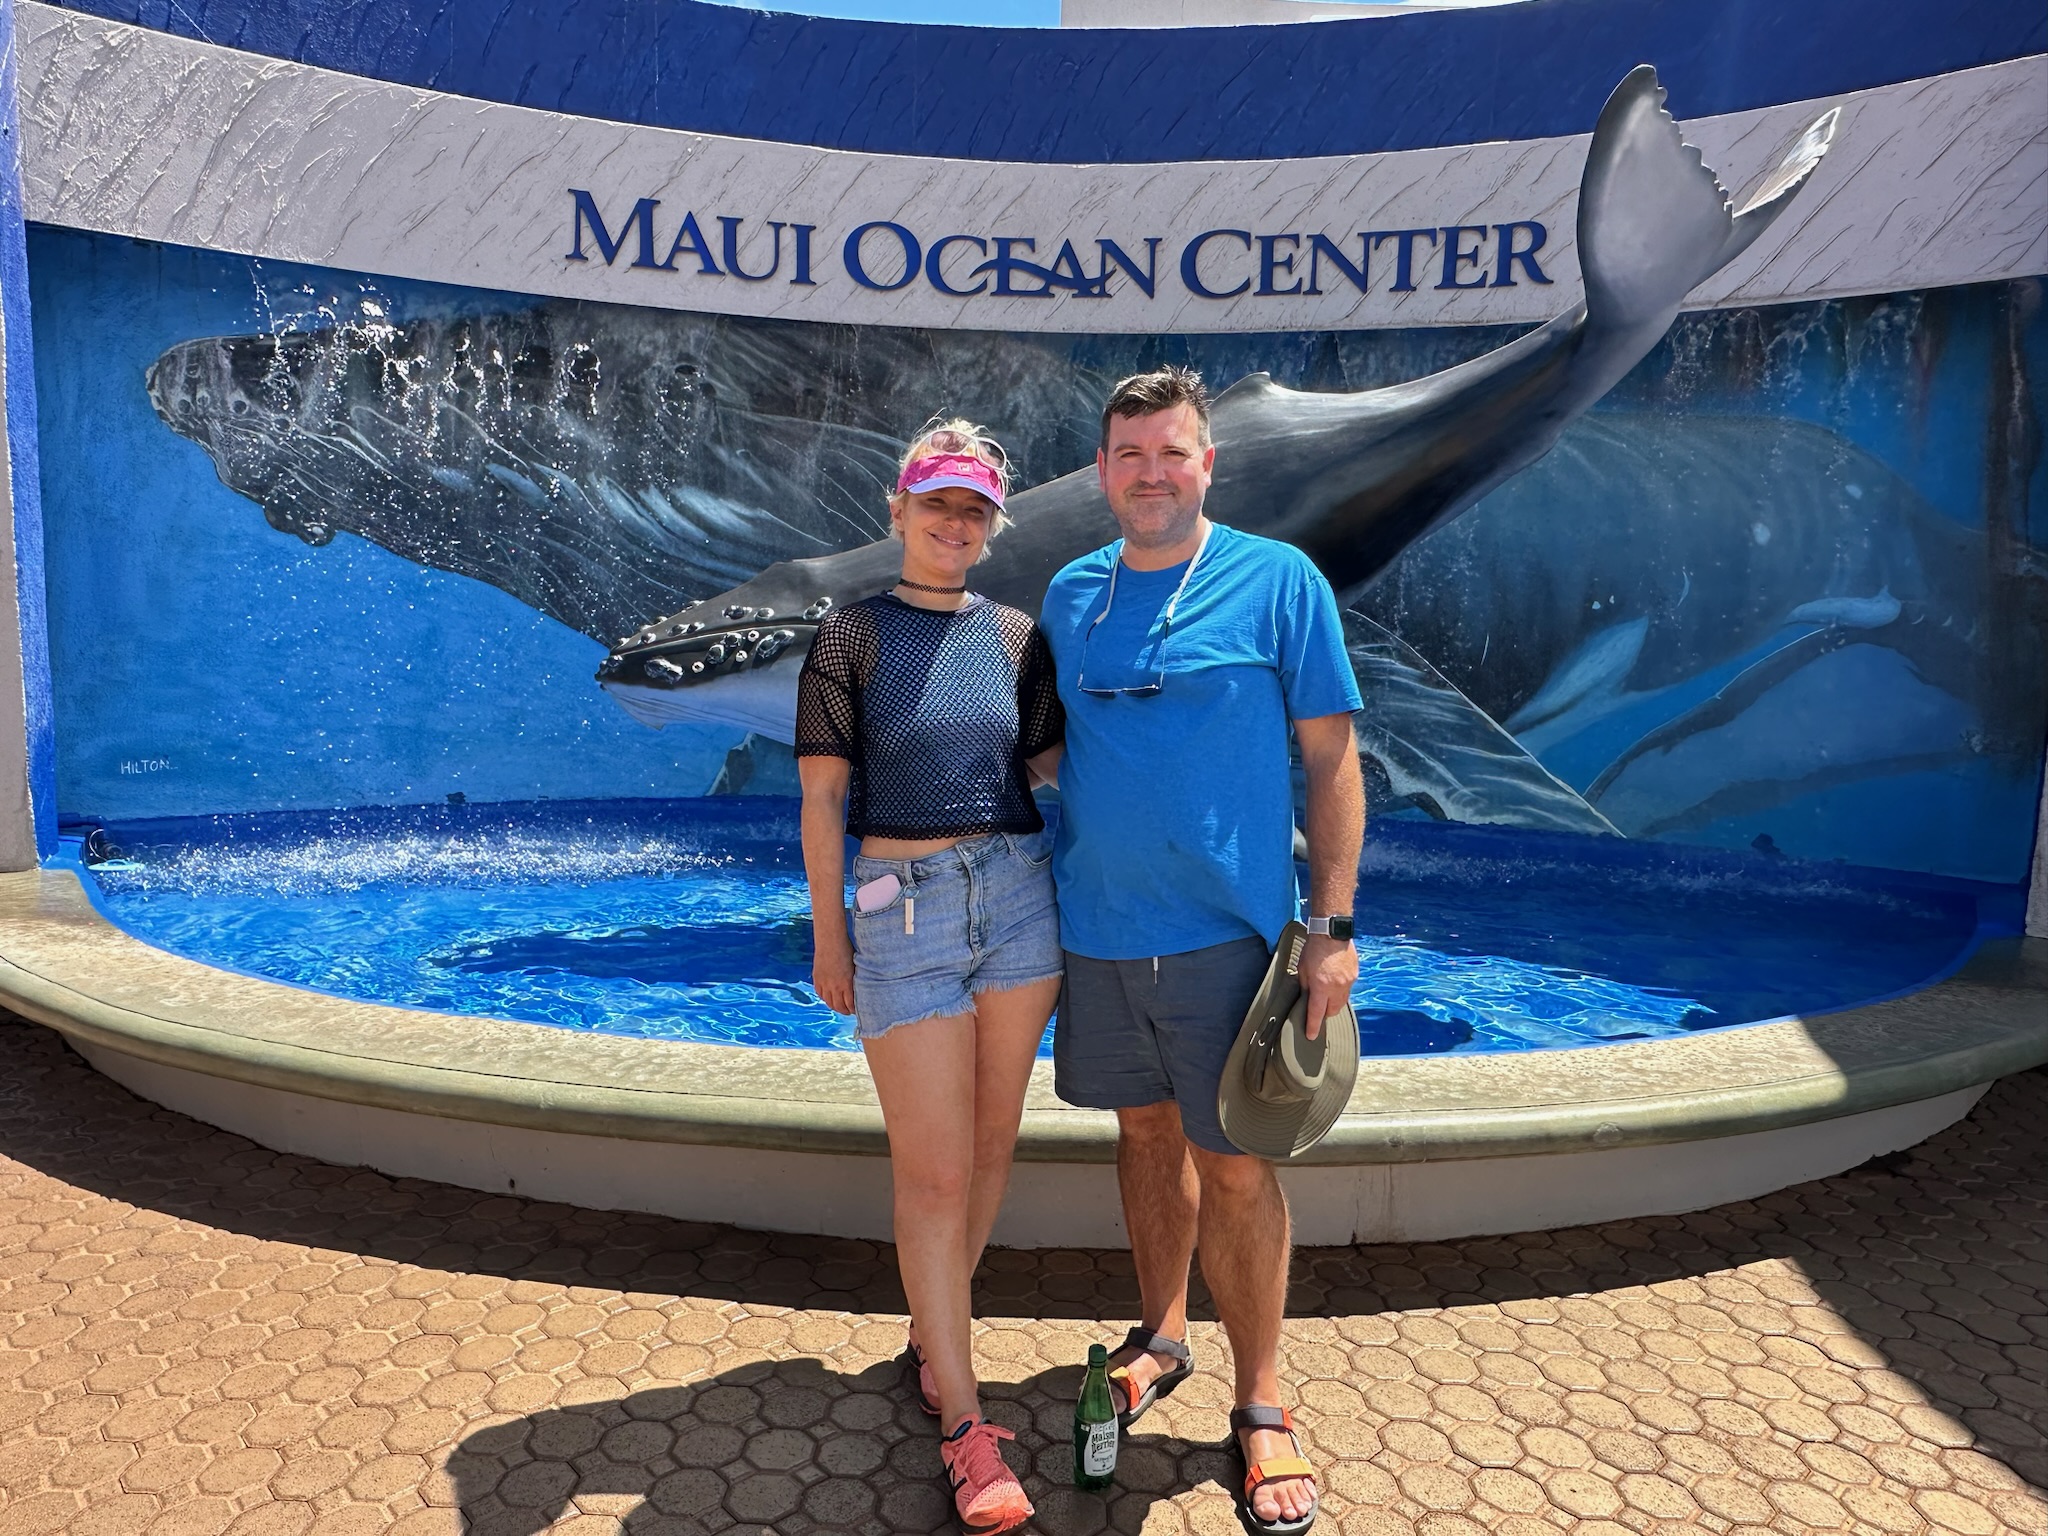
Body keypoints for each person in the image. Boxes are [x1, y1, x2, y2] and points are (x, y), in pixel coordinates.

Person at [1040, 367, 1365, 1535]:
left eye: (1171, 452)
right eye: (1129, 454)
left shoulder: (1278, 582)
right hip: (1097, 935)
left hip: (1231, 944)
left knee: (1233, 1167)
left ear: (1206, 463)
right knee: (1142, 1137)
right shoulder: (1069, 593)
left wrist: (1329, 928)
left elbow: (1330, 758)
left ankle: (1261, 1403)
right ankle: (1162, 1334)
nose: (1150, 474)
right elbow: (1049, 749)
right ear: (1100, 471)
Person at [795, 419, 1065, 1536]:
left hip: (1017, 899)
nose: (954, 523)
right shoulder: (848, 636)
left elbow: (1050, 767)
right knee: (937, 1173)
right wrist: (828, 938)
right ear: (898, 508)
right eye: (937, 502)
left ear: (992, 526)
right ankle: (963, 1421)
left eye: (973, 509)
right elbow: (822, 799)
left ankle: (931, 1340)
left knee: (992, 1147)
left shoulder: (1016, 636)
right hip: (899, 911)